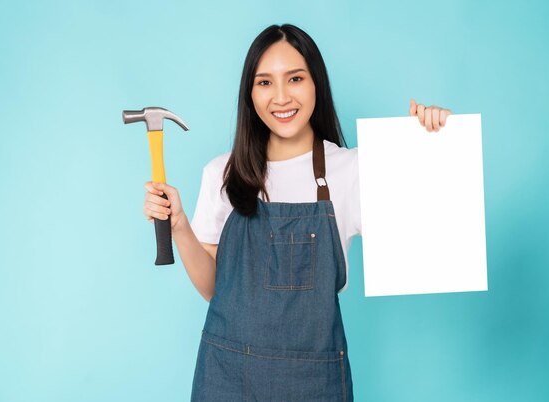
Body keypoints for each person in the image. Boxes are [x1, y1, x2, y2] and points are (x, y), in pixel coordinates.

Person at [142, 23, 452, 402]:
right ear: (250, 93)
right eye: (265, 83)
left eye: (295, 78)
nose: (282, 97)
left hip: (313, 383)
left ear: (315, 84)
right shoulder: (222, 173)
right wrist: (179, 226)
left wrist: (431, 139)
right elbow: (213, 288)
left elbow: (435, 227)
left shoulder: (353, 169)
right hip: (226, 377)